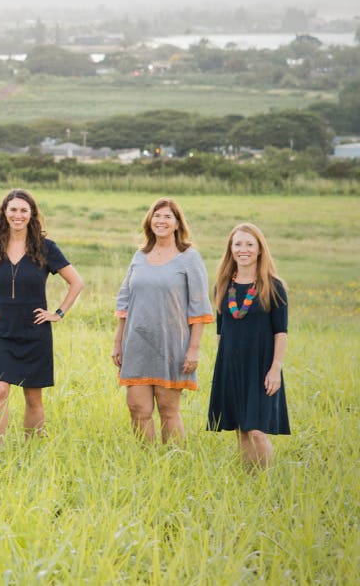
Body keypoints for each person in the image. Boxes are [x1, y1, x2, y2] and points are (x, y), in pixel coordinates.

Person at [0, 189, 84, 438]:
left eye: (23, 210)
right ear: (4, 213)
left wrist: (57, 313)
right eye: (13, 209)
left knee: (33, 396)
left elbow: (77, 282)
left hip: (35, 330)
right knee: (0, 390)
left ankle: (32, 447)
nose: (18, 215)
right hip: (0, 331)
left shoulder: (46, 248)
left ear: (31, 214)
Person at [112, 197, 213, 443]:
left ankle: (174, 461)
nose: (161, 221)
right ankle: (147, 462)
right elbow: (124, 302)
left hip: (172, 345)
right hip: (137, 344)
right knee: (137, 409)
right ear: (150, 221)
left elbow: (198, 306)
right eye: (157, 216)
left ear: (178, 223)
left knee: (168, 411)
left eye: (168, 216)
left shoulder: (189, 257)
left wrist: (194, 349)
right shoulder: (139, 256)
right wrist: (118, 342)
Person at [207, 223, 289, 468]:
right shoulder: (223, 286)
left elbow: (281, 333)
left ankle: (264, 480)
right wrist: (222, 368)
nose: (244, 249)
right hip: (231, 365)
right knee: (241, 429)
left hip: (261, 366)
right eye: (238, 244)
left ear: (260, 249)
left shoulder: (273, 286)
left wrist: (276, 369)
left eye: (249, 244)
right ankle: (249, 478)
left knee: (256, 431)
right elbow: (221, 332)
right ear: (231, 249)